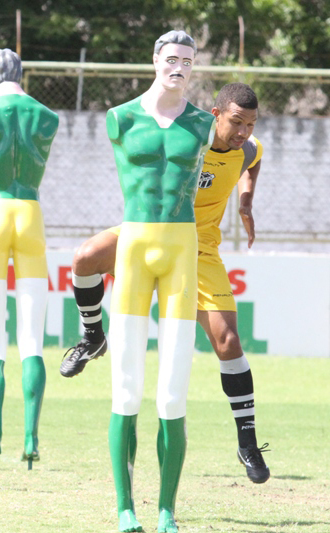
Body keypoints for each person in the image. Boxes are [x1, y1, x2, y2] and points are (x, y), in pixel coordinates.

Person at [60, 82, 270, 485]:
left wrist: (245, 201)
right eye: (236, 121)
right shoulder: (190, 138)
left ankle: (247, 441)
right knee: (85, 258)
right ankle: (92, 336)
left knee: (228, 341)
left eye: (251, 123)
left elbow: (255, 158)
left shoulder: (247, 148)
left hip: (200, 248)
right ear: (215, 115)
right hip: (150, 233)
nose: (243, 131)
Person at [96, 31, 215, 533]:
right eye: (171, 59)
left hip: (181, 252)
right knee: (126, 389)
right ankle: (126, 508)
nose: (179, 68)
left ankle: (166, 509)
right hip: (134, 249)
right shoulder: (121, 118)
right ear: (154, 60)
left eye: (187, 61)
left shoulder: (203, 124)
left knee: (172, 394)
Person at [0, 48, 59, 469]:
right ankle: (31, 436)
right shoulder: (46, 117)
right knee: (32, 341)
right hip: (30, 214)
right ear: (24, 74)